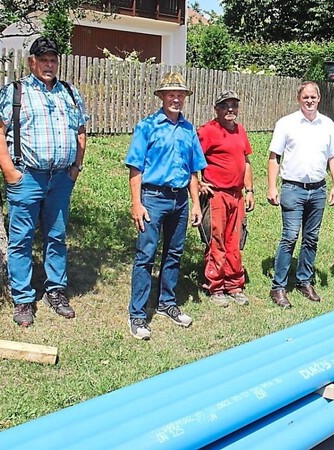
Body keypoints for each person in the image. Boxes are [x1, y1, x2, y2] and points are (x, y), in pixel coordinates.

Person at [0, 36, 88, 327]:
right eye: (42, 59)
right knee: (21, 240)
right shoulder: (14, 91)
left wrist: (76, 168)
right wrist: (11, 174)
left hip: (61, 179)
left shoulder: (69, 93)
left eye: (53, 59)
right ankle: (22, 299)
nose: (48, 64)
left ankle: (55, 290)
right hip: (27, 177)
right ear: (31, 61)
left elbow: (80, 132)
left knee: (56, 236)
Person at [124, 72, 207, 340]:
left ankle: (166, 303)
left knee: (174, 253)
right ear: (161, 97)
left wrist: (195, 204)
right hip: (153, 198)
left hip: (180, 200)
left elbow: (195, 170)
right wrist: (136, 204)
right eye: (171, 94)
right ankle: (137, 315)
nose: (176, 99)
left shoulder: (189, 129)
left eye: (180, 94)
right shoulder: (146, 127)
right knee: (145, 255)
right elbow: (135, 168)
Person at [267, 81, 334, 308]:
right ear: (298, 99)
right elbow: (274, 157)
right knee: (290, 237)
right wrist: (272, 186)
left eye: (313, 97)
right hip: (293, 189)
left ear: (319, 98)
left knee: (311, 238)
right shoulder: (287, 124)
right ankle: (278, 287)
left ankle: (304, 281)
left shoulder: (327, 124)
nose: (309, 100)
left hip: (318, 190)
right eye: (305, 97)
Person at [197, 90, 255, 308]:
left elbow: (246, 161)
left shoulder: (240, 131)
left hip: (237, 195)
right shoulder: (208, 131)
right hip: (216, 195)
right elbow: (194, 159)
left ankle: (234, 284)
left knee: (235, 240)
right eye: (225, 105)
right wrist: (200, 183)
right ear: (217, 109)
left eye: (234, 105)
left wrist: (249, 190)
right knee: (217, 239)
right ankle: (216, 286)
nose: (230, 109)